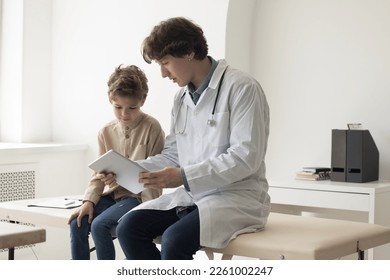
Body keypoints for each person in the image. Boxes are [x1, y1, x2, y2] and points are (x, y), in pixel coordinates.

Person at [116, 17, 270, 260]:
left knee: (174, 240)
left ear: (188, 52)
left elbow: (245, 158)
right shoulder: (181, 99)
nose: (163, 73)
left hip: (237, 198)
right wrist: (126, 169)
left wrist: (183, 177)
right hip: (195, 196)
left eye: (165, 63)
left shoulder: (241, 87)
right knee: (128, 228)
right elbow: (173, 155)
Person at [68, 64, 165, 260]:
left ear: (143, 100)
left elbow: (155, 174)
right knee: (76, 223)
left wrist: (148, 212)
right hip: (111, 196)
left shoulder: (152, 128)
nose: (124, 114)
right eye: (118, 107)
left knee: (100, 225)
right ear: (110, 100)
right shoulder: (105, 131)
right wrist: (88, 201)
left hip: (136, 198)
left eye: (132, 107)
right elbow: (98, 174)